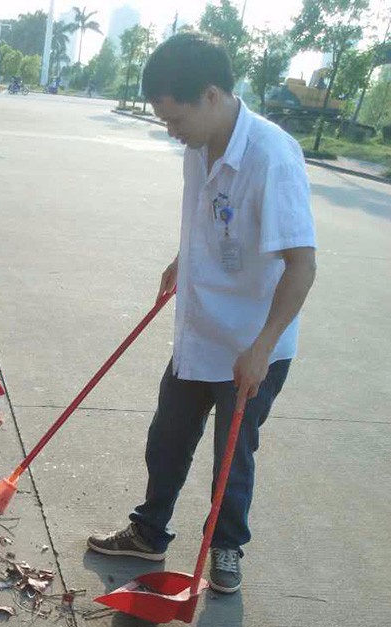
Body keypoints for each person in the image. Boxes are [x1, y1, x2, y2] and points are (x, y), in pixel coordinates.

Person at [87, 33, 317, 593]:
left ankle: (227, 547)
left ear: (211, 95)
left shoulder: (271, 156)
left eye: (174, 116)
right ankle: (148, 532)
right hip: (201, 329)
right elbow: (211, 221)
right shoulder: (198, 145)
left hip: (252, 345)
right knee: (167, 438)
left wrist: (261, 347)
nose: (170, 130)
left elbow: (301, 266)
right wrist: (181, 259)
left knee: (232, 457)